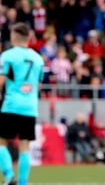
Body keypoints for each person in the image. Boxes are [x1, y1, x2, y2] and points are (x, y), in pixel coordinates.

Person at [0, 23, 45, 185]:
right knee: (24, 146)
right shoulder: (38, 59)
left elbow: (1, 80)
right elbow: (39, 87)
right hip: (30, 108)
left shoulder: (7, 56)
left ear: (13, 36)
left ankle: (9, 176)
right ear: (29, 38)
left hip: (11, 105)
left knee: (1, 142)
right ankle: (23, 182)